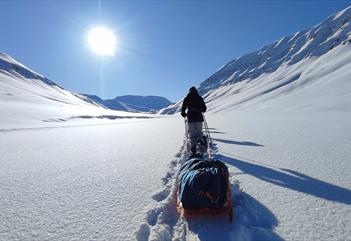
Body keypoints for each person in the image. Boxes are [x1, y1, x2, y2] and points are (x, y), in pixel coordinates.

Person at [181, 86, 207, 154]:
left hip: (190, 117)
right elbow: (204, 108)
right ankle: (201, 143)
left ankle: (193, 147)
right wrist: (201, 110)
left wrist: (184, 114)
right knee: (199, 131)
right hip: (199, 117)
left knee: (192, 133)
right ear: (196, 91)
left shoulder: (187, 98)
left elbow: (183, 109)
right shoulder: (199, 97)